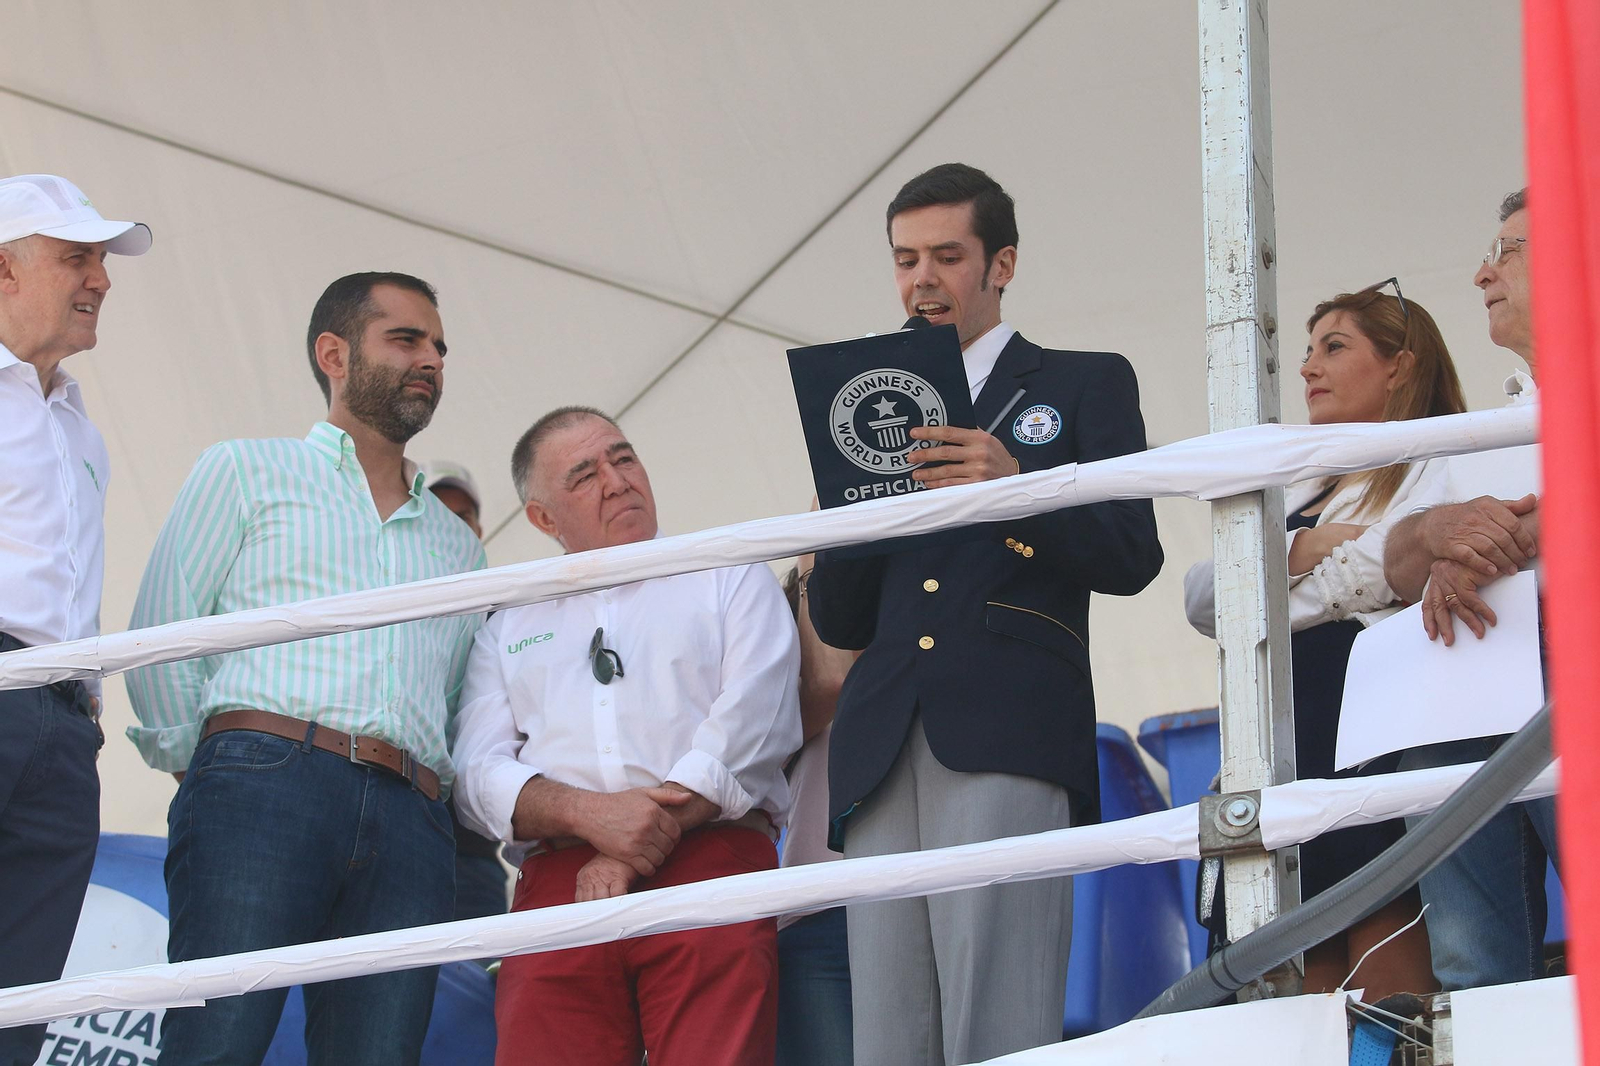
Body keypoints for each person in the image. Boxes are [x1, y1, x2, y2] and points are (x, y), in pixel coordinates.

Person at [806, 163, 1163, 1065]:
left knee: (998, 1022)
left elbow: (1133, 554)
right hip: (880, 734)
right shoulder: (867, 397)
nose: (922, 279)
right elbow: (842, 622)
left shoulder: (1083, 382)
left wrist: (1019, 489)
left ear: (1001, 264)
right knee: (890, 1034)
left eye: (946, 256)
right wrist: (846, 512)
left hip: (1008, 721)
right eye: (905, 260)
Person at [126, 272, 486, 1066]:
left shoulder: (461, 547)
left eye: (438, 346)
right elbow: (159, 636)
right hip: (261, 782)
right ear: (334, 353)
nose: (431, 359)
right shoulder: (244, 470)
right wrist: (217, 765)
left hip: (413, 815)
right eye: (406, 339)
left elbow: (458, 700)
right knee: (216, 1046)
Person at [452, 406, 800, 1066]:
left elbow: (758, 721)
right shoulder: (509, 622)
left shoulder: (727, 571)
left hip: (710, 857)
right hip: (560, 879)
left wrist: (631, 843)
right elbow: (474, 773)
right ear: (543, 518)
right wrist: (590, 816)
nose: (616, 482)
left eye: (624, 458)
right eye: (585, 475)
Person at [1185, 280, 1465, 997]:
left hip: (1372, 740)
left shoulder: (1445, 458)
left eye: (1333, 348)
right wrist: (1309, 545)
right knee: (1298, 995)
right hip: (1290, 745)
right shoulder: (1296, 484)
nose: (1308, 367)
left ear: (1400, 365)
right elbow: (1203, 596)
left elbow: (1401, 572)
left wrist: (1272, 586)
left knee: (1385, 989)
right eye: (1309, 350)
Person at [1382, 188, 1559, 991]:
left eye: (1508, 252)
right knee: (1471, 963)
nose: (1482, 275)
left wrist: (1488, 546)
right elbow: (1392, 562)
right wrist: (1436, 536)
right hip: (1469, 688)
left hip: (1569, 667)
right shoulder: (1480, 431)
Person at [0, 173, 150, 1066]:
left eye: (101, 259)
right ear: (5, 271)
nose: (101, 278)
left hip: (60, 722)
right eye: (77, 258)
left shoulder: (80, 428)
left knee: (22, 1000)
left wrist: (83, 701)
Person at [775, 554, 856, 1066]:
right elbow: (830, 678)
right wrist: (815, 557)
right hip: (814, 916)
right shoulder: (795, 701)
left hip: (908, 899)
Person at [421, 459, 508, 923]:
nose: (453, 526)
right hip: (394, 832)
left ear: (478, 529)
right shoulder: (381, 611)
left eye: (463, 516)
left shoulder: (508, 616)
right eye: (438, 513)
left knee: (480, 966)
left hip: (473, 852)